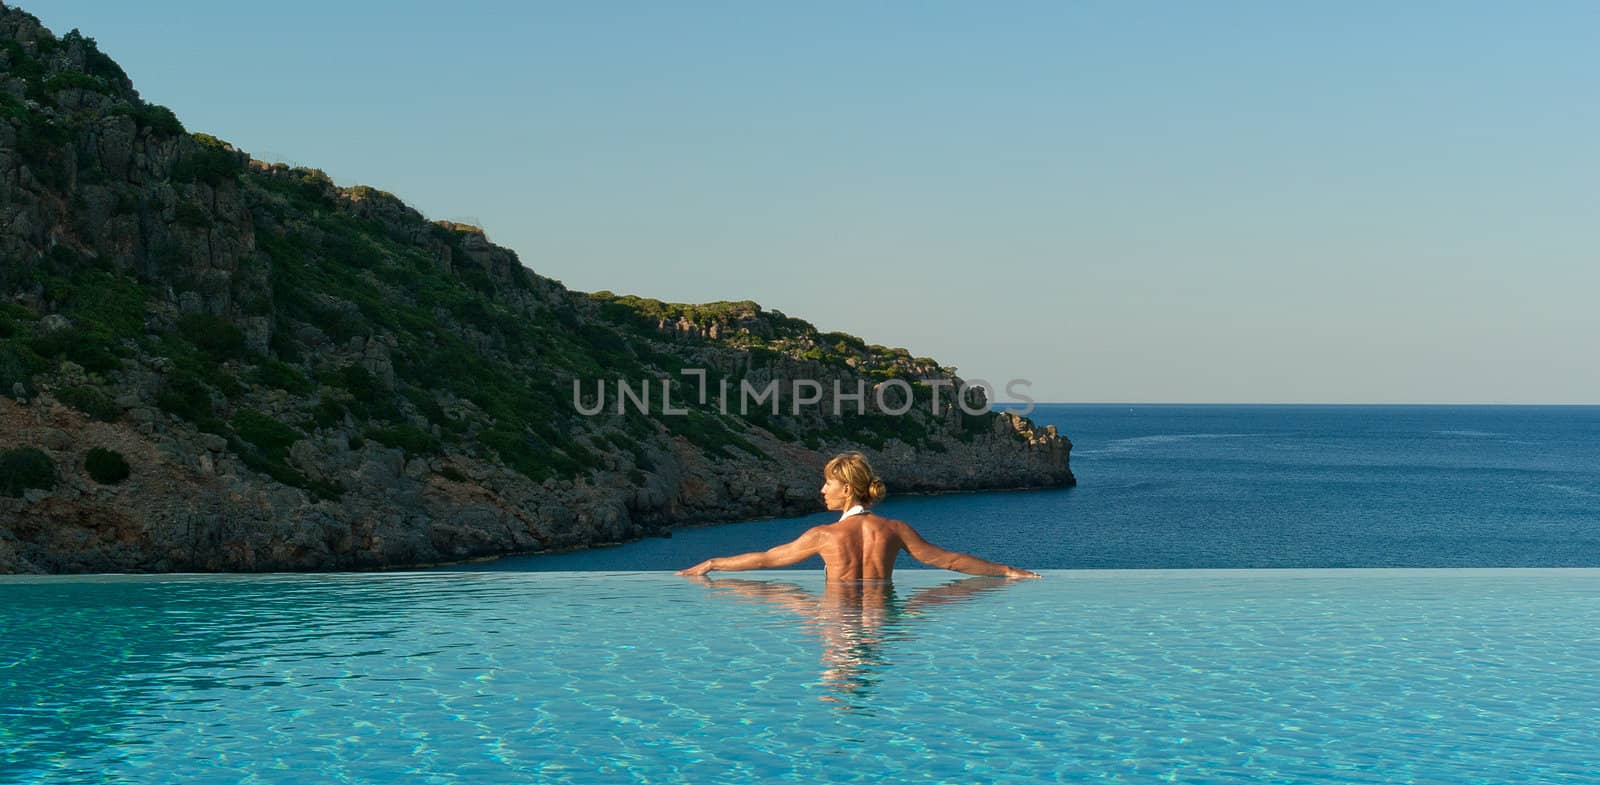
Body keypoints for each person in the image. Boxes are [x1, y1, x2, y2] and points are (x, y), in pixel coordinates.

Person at [676, 452, 1041, 581]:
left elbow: (767, 559)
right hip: (884, 622)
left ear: (847, 490)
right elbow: (948, 561)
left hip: (838, 618)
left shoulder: (823, 535)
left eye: (828, 484)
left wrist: (714, 563)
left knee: (786, 601)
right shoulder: (895, 529)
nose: (822, 490)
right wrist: (1006, 570)